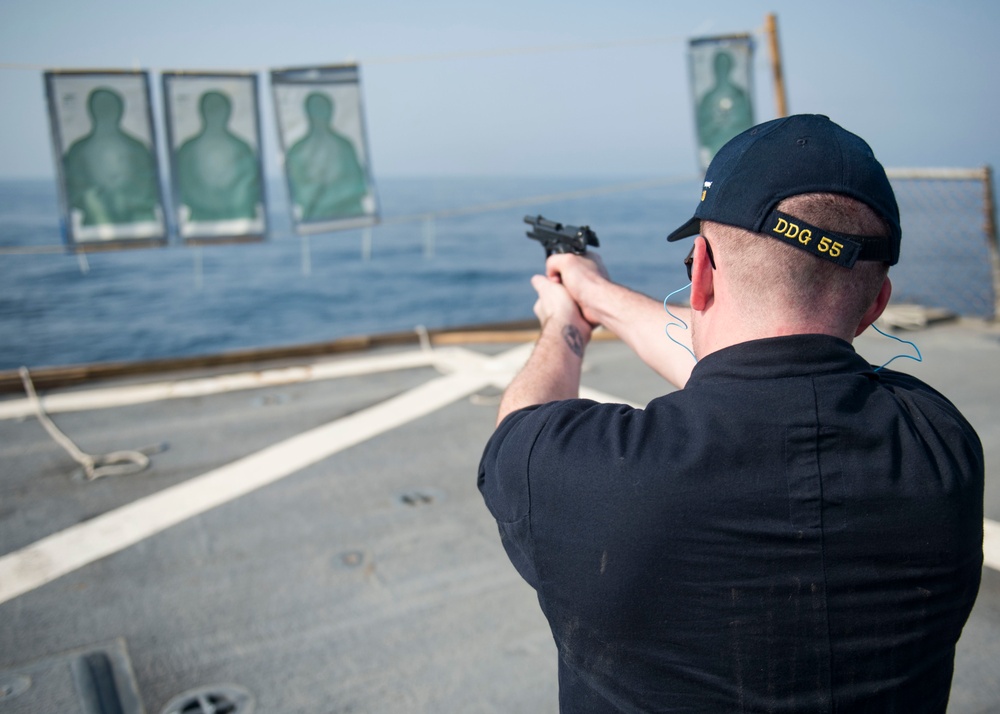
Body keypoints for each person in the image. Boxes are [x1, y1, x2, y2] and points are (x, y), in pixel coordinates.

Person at [478, 114, 984, 712]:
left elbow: (519, 421)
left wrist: (565, 321)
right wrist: (597, 296)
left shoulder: (590, 472)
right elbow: (759, 363)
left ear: (700, 274)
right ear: (876, 303)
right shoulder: (943, 445)